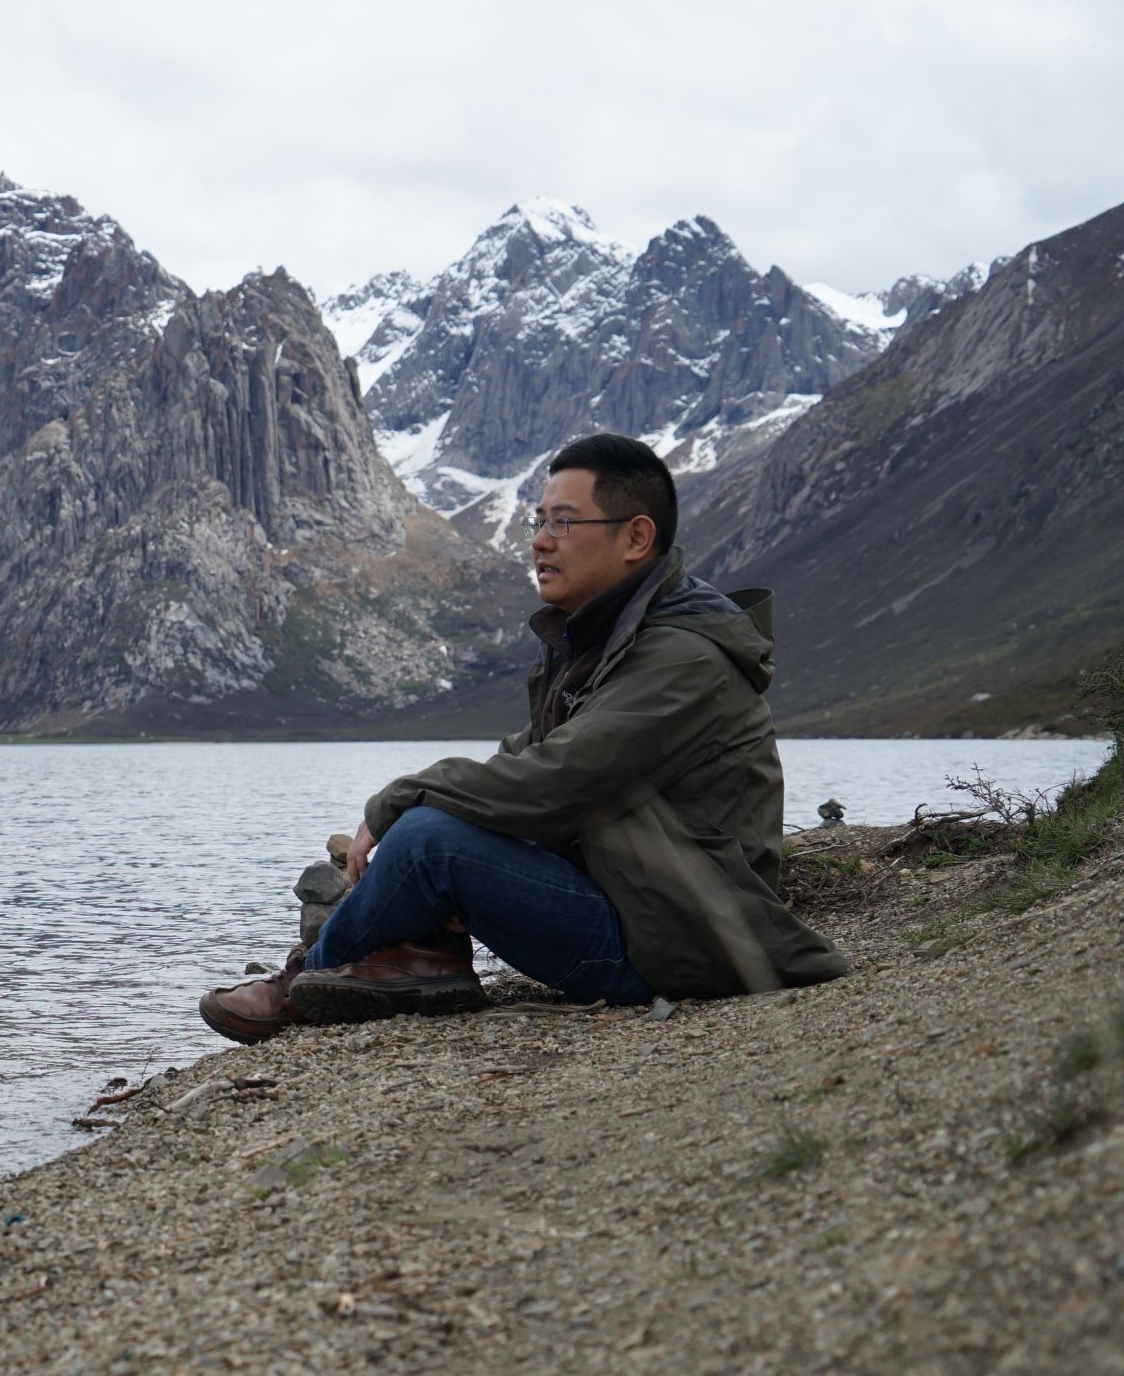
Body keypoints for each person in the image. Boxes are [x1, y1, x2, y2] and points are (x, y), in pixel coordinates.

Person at [200, 432, 846, 1041]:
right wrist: (427, 804)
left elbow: (557, 781)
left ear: (635, 537)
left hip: (681, 940)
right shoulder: (607, 642)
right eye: (538, 521)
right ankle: (419, 959)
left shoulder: (684, 659)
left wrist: (402, 798)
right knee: (439, 825)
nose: (539, 541)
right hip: (641, 905)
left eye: (562, 523)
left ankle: (301, 984)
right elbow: (526, 758)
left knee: (430, 841)